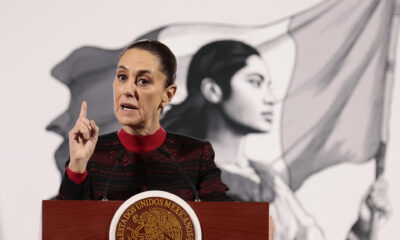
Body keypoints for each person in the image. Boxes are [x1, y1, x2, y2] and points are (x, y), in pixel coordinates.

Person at [57, 40, 232, 201]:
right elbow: (64, 228)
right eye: (122, 77)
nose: (127, 90)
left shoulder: (196, 154)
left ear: (167, 94)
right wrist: (78, 166)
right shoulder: (93, 156)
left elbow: (229, 221)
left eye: (143, 81)